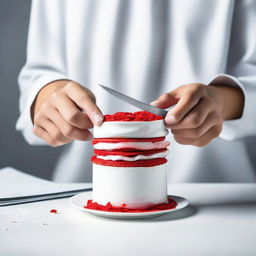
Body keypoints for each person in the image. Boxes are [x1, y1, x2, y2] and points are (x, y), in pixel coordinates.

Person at [17, 0, 256, 182]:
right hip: (87, 187)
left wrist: (221, 103)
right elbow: (40, 72)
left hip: (216, 189)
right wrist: (47, 96)